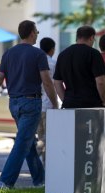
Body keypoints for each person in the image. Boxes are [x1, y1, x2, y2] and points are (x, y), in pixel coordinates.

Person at [0, 20, 59, 189]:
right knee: (22, 142)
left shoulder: (8, 54)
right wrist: (55, 103)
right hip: (31, 103)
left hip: (14, 104)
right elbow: (47, 81)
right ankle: (5, 183)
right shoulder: (38, 55)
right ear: (31, 32)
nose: (37, 34)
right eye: (36, 31)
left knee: (28, 143)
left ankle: (40, 180)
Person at [53, 26, 105, 108]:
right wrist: (103, 101)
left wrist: (66, 100)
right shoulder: (93, 53)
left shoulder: (62, 55)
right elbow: (100, 82)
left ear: (77, 37)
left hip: (69, 103)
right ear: (92, 37)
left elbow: (57, 82)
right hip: (91, 103)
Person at [37, 37, 59, 166]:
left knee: (41, 137)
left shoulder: (35, 61)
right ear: (52, 49)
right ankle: (45, 165)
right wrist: (56, 103)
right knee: (49, 138)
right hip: (49, 104)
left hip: (36, 104)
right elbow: (55, 84)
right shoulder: (53, 64)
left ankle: (40, 165)